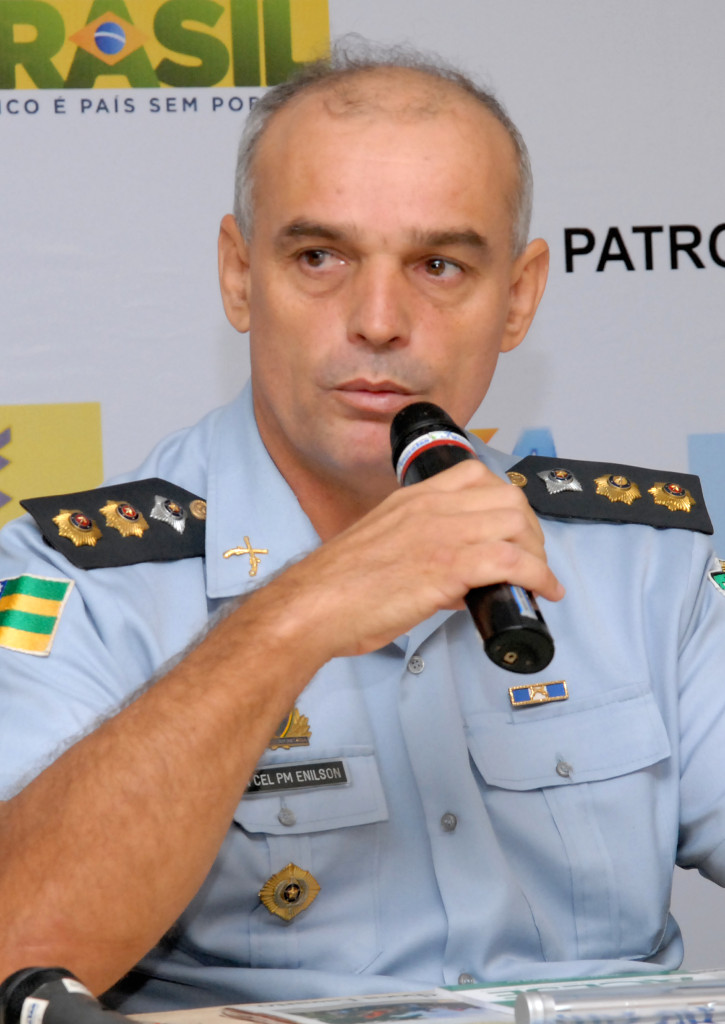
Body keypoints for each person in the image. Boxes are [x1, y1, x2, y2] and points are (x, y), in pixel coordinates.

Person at [1, 40, 724, 1015]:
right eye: (319, 257)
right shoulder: (82, 582)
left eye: (438, 264)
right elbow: (17, 940)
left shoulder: (646, 560)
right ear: (238, 276)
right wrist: (296, 613)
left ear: (516, 298)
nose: (378, 319)